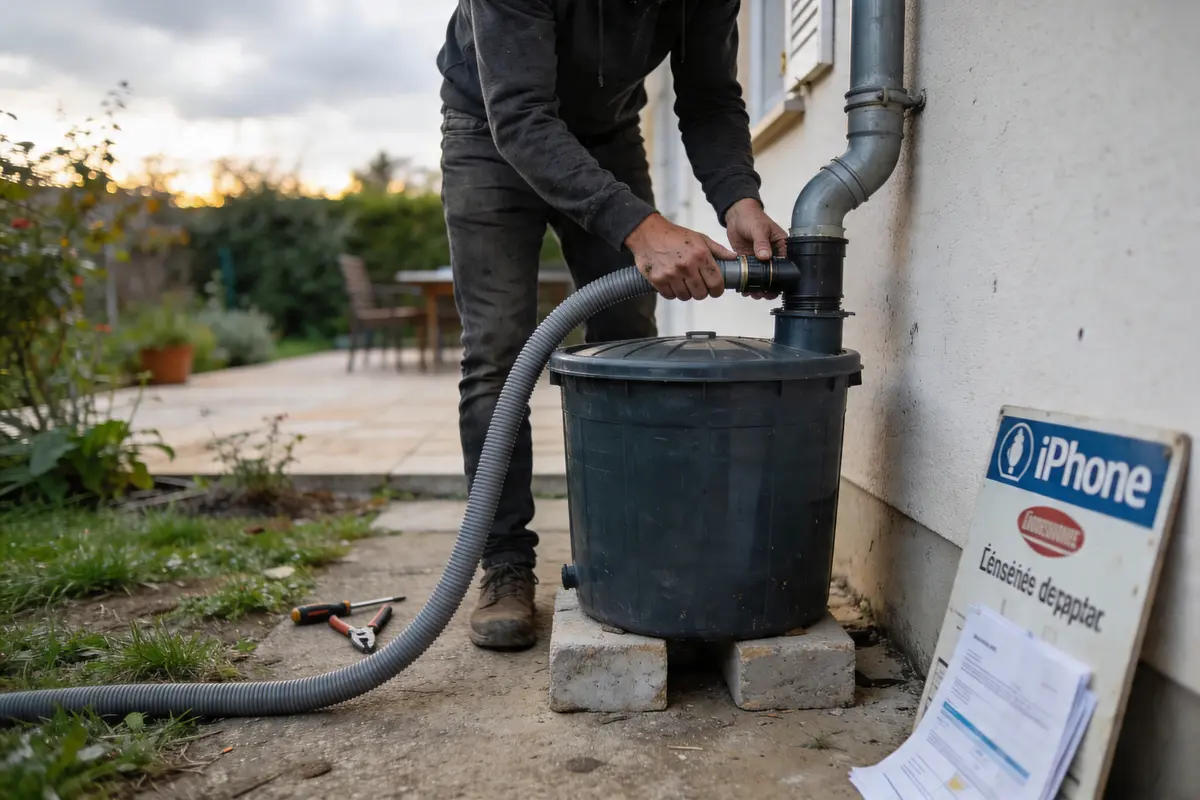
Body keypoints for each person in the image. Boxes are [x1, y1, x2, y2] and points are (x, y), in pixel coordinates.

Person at [436, 0, 789, 650]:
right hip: (489, 133)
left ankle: (628, 548)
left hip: (607, 134)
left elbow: (710, 96)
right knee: (497, 348)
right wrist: (640, 228)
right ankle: (505, 564)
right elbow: (517, 116)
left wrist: (739, 197)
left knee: (628, 335)